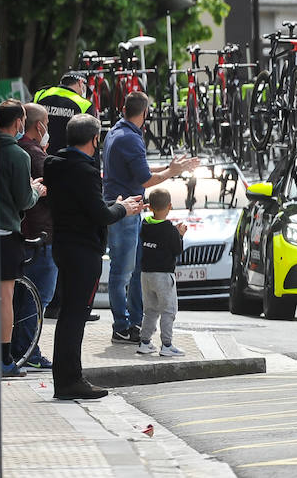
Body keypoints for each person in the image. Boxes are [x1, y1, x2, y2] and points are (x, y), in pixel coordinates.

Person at [44, 114, 144, 399]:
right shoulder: (85, 170)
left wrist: (116, 203)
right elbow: (99, 214)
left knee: (68, 315)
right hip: (83, 251)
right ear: (95, 140)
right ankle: (70, 381)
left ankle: (66, 378)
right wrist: (124, 210)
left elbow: (86, 204)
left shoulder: (55, 164)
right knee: (76, 316)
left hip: (63, 245)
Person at [101, 91, 198, 344]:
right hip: (124, 211)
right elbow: (146, 179)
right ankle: (121, 327)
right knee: (122, 272)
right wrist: (171, 172)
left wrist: (172, 168)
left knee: (134, 272)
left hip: (125, 209)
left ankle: (134, 323)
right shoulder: (130, 139)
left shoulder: (118, 132)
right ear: (144, 113)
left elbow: (141, 168)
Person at [0, 99, 44, 377]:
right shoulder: (18, 156)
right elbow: (24, 200)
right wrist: (36, 190)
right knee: (4, 297)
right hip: (4, 234)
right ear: (18, 123)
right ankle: (4, 361)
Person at [14, 104, 56, 370]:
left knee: (24, 297)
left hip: (25, 234)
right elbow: (54, 189)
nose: (48, 129)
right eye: (48, 123)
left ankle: (22, 348)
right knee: (38, 297)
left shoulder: (22, 151)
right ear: (38, 125)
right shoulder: (33, 154)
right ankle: (29, 351)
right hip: (41, 236)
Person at [137, 188, 186, 357]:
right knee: (168, 310)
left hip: (146, 274)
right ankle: (166, 344)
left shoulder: (145, 225)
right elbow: (177, 250)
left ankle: (144, 342)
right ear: (170, 206)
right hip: (164, 275)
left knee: (150, 310)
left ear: (150, 207)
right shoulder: (169, 229)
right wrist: (180, 235)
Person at [34, 73, 95, 155]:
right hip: (68, 159)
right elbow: (90, 139)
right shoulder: (84, 104)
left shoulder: (40, 94)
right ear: (81, 83)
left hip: (39, 154)